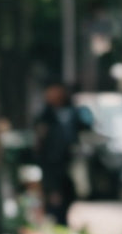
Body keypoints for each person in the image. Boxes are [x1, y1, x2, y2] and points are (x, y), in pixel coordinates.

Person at [33, 82, 84, 226]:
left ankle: (62, 224)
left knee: (67, 195)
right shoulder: (46, 115)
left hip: (68, 162)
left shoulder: (72, 111)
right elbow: (40, 141)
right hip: (50, 163)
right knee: (53, 198)